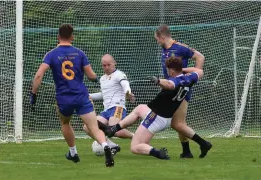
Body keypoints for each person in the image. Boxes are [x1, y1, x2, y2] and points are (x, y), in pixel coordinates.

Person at [30, 24, 114, 167]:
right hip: (81, 96)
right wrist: (95, 79)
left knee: (65, 122)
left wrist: (33, 94)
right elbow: (91, 75)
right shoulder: (80, 53)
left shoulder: (51, 54)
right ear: (72, 37)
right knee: (93, 126)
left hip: (64, 98)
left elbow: (38, 76)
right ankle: (106, 145)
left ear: (58, 37)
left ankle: (73, 152)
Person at [108, 56, 212, 160]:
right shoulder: (190, 78)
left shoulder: (175, 81)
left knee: (135, 147)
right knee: (140, 108)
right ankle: (114, 129)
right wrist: (181, 70)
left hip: (155, 118)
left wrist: (158, 81)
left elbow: (169, 85)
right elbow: (199, 71)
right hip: (165, 118)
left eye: (168, 69)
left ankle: (158, 153)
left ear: (171, 70)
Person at [155, 24, 205, 158]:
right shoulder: (165, 49)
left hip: (181, 89)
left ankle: (203, 144)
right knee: (178, 123)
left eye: (157, 39)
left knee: (177, 123)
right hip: (171, 89)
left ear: (162, 37)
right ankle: (187, 152)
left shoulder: (180, 47)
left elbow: (200, 57)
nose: (157, 42)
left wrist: (192, 77)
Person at [83, 54, 135, 154]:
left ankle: (136, 136)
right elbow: (104, 94)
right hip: (106, 111)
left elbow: (125, 85)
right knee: (87, 126)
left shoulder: (119, 74)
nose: (106, 67)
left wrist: (128, 92)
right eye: (104, 65)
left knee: (114, 130)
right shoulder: (102, 78)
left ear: (114, 63)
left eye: (108, 65)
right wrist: (88, 96)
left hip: (117, 107)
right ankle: (111, 146)